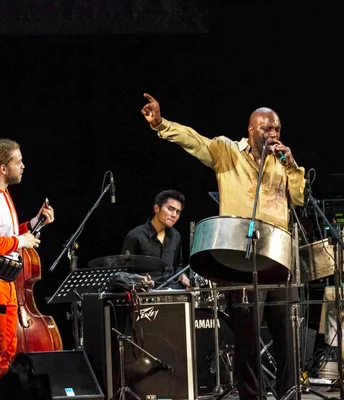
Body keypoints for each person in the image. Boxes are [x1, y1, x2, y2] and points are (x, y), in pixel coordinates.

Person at [140, 93, 306, 399]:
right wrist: (161, 124)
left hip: (278, 259)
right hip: (241, 260)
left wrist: (293, 167)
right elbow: (192, 140)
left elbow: (298, 199)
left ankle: (288, 394)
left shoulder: (282, 163)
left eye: (278, 130)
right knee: (248, 341)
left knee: (287, 339)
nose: (274, 135)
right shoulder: (226, 151)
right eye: (268, 129)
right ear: (252, 130)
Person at [0, 138, 54, 390]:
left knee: (6, 349)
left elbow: (9, 235)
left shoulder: (0, 193)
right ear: (3, 168)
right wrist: (21, 241)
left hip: (4, 279)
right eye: (19, 161)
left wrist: (37, 222)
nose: (23, 166)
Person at [121, 189, 191, 290]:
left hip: (172, 290)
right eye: (170, 209)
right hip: (146, 291)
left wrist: (182, 276)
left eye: (178, 212)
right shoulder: (135, 236)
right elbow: (124, 273)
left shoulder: (176, 236)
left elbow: (177, 266)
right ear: (157, 208)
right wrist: (140, 280)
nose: (174, 215)